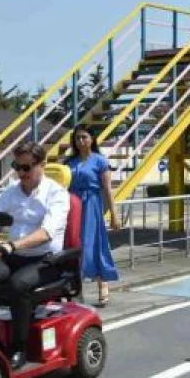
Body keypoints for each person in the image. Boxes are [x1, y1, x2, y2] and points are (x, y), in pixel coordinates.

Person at [0, 141, 70, 368]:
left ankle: (19, 347)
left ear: (42, 164)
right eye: (16, 167)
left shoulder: (57, 194)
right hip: (13, 257)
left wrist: (12, 245)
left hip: (46, 260)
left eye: (26, 168)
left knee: (18, 284)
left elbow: (46, 233)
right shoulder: (11, 193)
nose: (20, 173)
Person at [65, 124, 120, 306]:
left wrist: (113, 213)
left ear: (92, 139)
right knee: (72, 244)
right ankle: (74, 288)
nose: (80, 141)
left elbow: (107, 189)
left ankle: (102, 283)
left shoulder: (100, 161)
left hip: (92, 204)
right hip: (72, 204)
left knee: (94, 242)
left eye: (84, 137)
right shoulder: (69, 163)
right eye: (77, 138)